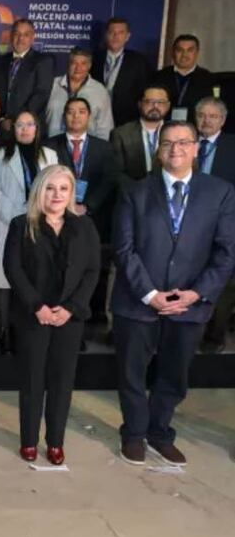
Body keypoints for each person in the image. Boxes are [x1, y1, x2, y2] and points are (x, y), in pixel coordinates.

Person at [111, 120, 235, 466]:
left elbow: (226, 252)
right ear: (158, 150)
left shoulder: (220, 192)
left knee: (174, 375)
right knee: (132, 373)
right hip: (138, 302)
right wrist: (150, 293)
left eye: (183, 143)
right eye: (167, 143)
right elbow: (124, 249)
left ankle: (159, 432)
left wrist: (196, 293)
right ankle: (134, 434)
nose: (175, 149)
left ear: (196, 149)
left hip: (190, 305)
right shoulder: (134, 191)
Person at [4, 165, 101, 465]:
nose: (57, 194)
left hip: (69, 318)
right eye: (50, 188)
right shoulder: (22, 225)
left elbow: (92, 270)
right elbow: (14, 269)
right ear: (39, 191)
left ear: (72, 193)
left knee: (62, 382)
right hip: (34, 316)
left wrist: (70, 308)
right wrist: (37, 306)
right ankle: (29, 441)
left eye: (64, 189)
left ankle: (56, 442)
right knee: (32, 380)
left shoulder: (85, 227)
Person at [0, 111, 58, 353]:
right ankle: (5, 332)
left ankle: (31, 331)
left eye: (30, 124)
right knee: (7, 278)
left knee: (35, 277)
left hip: (43, 222)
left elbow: (57, 188)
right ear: (12, 129)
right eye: (20, 125)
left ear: (37, 128)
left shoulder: (50, 155)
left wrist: (39, 212)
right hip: (8, 222)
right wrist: (17, 214)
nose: (25, 129)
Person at [44, 97, 118, 324]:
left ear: (89, 116)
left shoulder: (104, 147)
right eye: (70, 112)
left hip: (91, 216)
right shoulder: (49, 145)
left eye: (81, 111)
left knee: (91, 266)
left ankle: (89, 315)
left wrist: (88, 206)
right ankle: (57, 313)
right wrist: (66, 206)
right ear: (64, 116)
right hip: (56, 216)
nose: (75, 116)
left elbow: (108, 180)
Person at [195, 98, 235, 353]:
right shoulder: (185, 143)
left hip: (225, 224)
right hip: (188, 225)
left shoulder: (233, 146)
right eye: (201, 115)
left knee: (224, 280)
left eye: (212, 116)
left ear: (222, 119)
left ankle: (214, 336)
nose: (206, 121)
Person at [0, 18, 55, 123]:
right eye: (17, 34)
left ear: (33, 38)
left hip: (28, 126)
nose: (20, 39)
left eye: (26, 35)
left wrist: (17, 120)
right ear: (11, 36)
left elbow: (41, 95)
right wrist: (0, 119)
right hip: (0, 124)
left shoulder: (43, 61)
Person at [91, 17, 150, 128]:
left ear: (127, 36)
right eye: (111, 32)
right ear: (105, 35)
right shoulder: (94, 58)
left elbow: (143, 93)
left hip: (127, 123)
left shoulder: (139, 62)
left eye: (120, 33)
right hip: (96, 121)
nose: (115, 36)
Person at [44, 48, 114, 140]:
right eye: (74, 63)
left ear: (89, 66)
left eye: (83, 63)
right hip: (52, 147)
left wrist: (99, 151)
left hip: (87, 150)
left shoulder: (100, 91)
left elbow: (105, 128)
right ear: (68, 64)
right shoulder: (51, 86)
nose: (78, 68)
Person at [111, 85, 171, 186]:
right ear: (140, 104)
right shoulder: (121, 133)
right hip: (134, 193)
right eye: (149, 102)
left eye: (160, 102)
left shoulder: (177, 132)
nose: (155, 106)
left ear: (168, 105)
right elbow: (116, 172)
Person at [152, 34, 218, 123]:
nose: (184, 55)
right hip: (163, 127)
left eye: (190, 50)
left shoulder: (208, 78)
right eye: (180, 50)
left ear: (197, 53)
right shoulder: (159, 76)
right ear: (173, 52)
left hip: (195, 129)